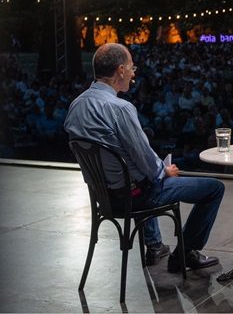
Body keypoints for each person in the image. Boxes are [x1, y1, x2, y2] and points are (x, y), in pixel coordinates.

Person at [64, 43, 224, 273]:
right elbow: (146, 161)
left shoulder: (75, 105)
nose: (133, 72)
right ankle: (185, 254)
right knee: (212, 188)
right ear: (120, 70)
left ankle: (155, 245)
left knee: (139, 177)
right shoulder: (120, 108)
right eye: (131, 67)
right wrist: (163, 171)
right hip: (133, 197)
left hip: (104, 197)